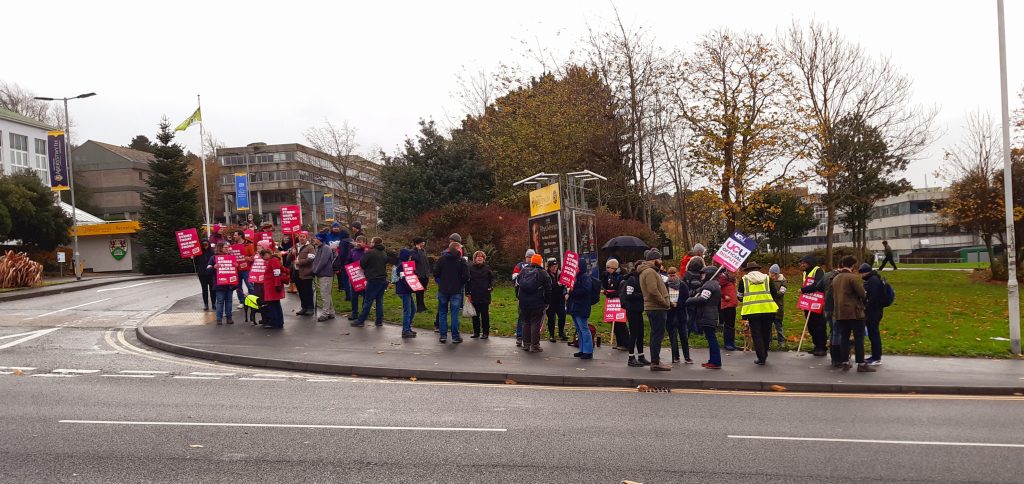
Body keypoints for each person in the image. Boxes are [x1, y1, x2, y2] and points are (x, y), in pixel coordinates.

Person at [832, 256, 874, 372]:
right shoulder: (853, 278)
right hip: (855, 313)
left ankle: (845, 362)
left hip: (840, 313)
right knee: (859, 338)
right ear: (853, 265)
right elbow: (862, 294)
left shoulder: (836, 278)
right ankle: (861, 363)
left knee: (844, 337)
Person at [738, 262, 780, 365]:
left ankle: (761, 358)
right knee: (766, 333)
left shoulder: (744, 280)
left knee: (757, 335)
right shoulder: (767, 278)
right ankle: (764, 354)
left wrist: (748, 299)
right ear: (758, 269)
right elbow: (774, 294)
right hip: (768, 310)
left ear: (748, 270)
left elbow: (739, 296)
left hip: (752, 311)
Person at [638, 249, 672, 371]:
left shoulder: (648, 271)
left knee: (655, 334)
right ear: (654, 260)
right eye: (659, 259)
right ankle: (655, 362)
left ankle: (655, 360)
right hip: (656, 307)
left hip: (654, 307)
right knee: (657, 335)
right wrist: (664, 302)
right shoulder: (650, 272)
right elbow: (653, 291)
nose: (661, 261)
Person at [686, 265, 723, 369]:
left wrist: (689, 300)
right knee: (711, 338)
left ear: (709, 274)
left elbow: (703, 299)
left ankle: (715, 362)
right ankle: (712, 360)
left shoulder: (709, 285)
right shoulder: (713, 284)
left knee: (711, 339)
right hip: (711, 314)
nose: (701, 276)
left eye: (703, 274)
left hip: (707, 315)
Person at [433, 241, 470, 343]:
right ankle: (455, 336)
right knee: (454, 314)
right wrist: (460, 284)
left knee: (442, 313)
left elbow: (435, 273)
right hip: (456, 290)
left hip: (443, 289)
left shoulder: (441, 259)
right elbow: (466, 276)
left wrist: (441, 282)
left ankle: (443, 336)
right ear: (457, 248)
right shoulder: (461, 261)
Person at [516, 253, 551, 353]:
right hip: (537, 302)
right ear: (540, 262)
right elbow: (548, 290)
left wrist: (519, 297)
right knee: (535, 323)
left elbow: (517, 284)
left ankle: (526, 344)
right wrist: (547, 302)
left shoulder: (523, 271)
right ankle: (535, 345)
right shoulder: (543, 273)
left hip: (523, 302)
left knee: (525, 322)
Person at [354, 236, 388, 327]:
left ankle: (361, 320)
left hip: (373, 279)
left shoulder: (370, 252)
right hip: (382, 278)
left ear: (374, 243)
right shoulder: (384, 253)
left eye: (372, 242)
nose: (370, 243)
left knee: (368, 300)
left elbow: (362, 263)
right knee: (379, 301)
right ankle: (379, 320)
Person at [799, 255, 828, 356]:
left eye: (804, 263)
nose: (802, 265)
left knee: (819, 325)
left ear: (809, 263)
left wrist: (803, 290)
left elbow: (817, 284)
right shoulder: (804, 273)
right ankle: (816, 345)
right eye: (801, 263)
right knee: (811, 325)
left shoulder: (818, 270)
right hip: (808, 301)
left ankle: (822, 347)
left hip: (818, 302)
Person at [566, 257, 595, 359]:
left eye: (576, 266)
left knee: (584, 329)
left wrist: (571, 291)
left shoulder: (585, 277)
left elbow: (586, 290)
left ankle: (588, 351)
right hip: (575, 306)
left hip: (581, 307)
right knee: (579, 329)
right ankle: (582, 349)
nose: (575, 268)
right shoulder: (577, 277)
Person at [621, 262, 649, 367]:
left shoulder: (641, 278)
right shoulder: (632, 279)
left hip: (638, 310)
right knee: (633, 333)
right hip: (632, 309)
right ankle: (631, 357)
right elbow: (629, 295)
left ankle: (641, 356)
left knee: (640, 333)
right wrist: (643, 295)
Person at [860, 263, 886, 365]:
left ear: (866, 272)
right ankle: (875, 356)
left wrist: (866, 306)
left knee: (873, 333)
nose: (861, 276)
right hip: (875, 310)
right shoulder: (874, 279)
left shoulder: (872, 280)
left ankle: (876, 357)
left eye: (862, 273)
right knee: (873, 333)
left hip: (873, 311)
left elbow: (873, 297)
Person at [665, 267, 692, 364]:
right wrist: (670, 304)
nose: (672, 277)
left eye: (674, 275)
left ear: (677, 274)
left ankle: (687, 357)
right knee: (673, 337)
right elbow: (663, 298)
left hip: (681, 314)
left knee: (684, 336)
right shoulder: (665, 285)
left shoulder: (683, 285)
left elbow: (686, 299)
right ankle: (675, 356)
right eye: (670, 275)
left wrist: (678, 304)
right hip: (670, 314)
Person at [602, 259, 629, 349]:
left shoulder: (621, 277)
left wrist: (611, 294)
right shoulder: (610, 276)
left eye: (608, 267)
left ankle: (626, 343)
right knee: (614, 323)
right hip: (612, 302)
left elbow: (620, 290)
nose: (607, 269)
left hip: (619, 302)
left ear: (613, 268)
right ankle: (619, 342)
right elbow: (608, 286)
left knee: (620, 323)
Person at [208, 242, 237, 325]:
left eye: (228, 247)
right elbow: (208, 270)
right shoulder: (213, 258)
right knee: (220, 302)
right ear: (220, 248)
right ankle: (219, 319)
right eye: (225, 247)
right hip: (219, 284)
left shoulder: (231, 257)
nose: (227, 249)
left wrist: (236, 266)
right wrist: (214, 267)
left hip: (229, 284)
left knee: (229, 301)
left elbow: (234, 271)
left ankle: (229, 318)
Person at [511, 249, 536, 346]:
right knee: (522, 316)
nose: (529, 258)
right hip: (522, 296)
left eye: (531, 257)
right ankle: (519, 336)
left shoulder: (537, 266)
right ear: (525, 257)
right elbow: (515, 277)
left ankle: (531, 338)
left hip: (535, 296)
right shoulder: (520, 265)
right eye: (528, 256)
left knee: (533, 318)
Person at [467, 251, 494, 339]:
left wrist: (490, 287)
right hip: (474, 294)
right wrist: (467, 292)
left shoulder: (487, 268)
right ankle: (476, 332)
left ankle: (485, 332)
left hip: (485, 294)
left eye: (481, 256)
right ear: (474, 259)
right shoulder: (470, 268)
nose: (479, 258)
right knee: (475, 315)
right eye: (478, 256)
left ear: (484, 259)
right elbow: (468, 281)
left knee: (485, 314)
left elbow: (491, 279)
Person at [259, 247, 287, 329]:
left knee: (273, 305)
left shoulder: (273, 261)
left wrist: (277, 285)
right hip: (273, 286)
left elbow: (276, 273)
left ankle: (275, 323)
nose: (263, 258)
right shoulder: (274, 260)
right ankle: (278, 322)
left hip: (273, 286)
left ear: (268, 254)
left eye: (264, 256)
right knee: (276, 304)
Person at [311, 235, 336, 321]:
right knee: (326, 294)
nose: (314, 239)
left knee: (324, 294)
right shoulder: (319, 248)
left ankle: (325, 313)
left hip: (326, 274)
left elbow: (323, 261)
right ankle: (331, 312)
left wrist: (315, 271)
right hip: (322, 274)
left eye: (315, 238)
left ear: (320, 239)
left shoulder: (325, 248)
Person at [395, 248, 419, 338]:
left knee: (413, 309)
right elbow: (404, 278)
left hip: (406, 290)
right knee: (408, 310)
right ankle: (405, 330)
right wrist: (412, 285)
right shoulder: (402, 266)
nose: (410, 258)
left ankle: (408, 328)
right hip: (404, 290)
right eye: (409, 256)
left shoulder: (405, 264)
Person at [292, 231, 316, 316]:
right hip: (296, 272)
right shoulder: (295, 246)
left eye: (303, 236)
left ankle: (310, 308)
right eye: (300, 236)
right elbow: (288, 258)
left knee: (307, 291)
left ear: (306, 238)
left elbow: (311, 259)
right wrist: (292, 253)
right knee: (300, 291)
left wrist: (300, 262)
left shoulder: (310, 247)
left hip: (306, 273)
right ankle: (304, 307)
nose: (301, 238)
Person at [544, 258, 568, 342]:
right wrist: (556, 284)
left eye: (556, 266)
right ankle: (552, 335)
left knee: (562, 316)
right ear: (549, 267)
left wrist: (565, 292)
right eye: (552, 267)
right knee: (551, 318)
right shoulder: (545, 275)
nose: (555, 268)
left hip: (560, 299)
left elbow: (564, 286)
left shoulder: (560, 274)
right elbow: (547, 288)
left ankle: (561, 333)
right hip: (550, 300)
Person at [346, 236, 367, 320]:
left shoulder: (367, 252)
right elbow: (348, 261)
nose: (358, 243)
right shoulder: (352, 251)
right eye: (357, 241)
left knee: (365, 296)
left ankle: (364, 313)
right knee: (354, 296)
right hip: (355, 277)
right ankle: (354, 313)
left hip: (365, 277)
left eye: (360, 242)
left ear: (364, 243)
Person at [768, 264, 788, 349]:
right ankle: (769, 342)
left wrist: (772, 293)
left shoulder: (783, 281)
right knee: (768, 326)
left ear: (776, 274)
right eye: (770, 273)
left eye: (772, 273)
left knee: (778, 325)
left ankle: (781, 342)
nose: (770, 275)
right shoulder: (768, 280)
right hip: (768, 306)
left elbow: (781, 293)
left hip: (778, 306)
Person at [719, 270, 738, 351]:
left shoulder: (731, 280)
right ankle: (727, 343)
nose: (737, 273)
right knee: (728, 325)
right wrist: (724, 296)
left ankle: (732, 343)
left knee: (732, 325)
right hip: (726, 305)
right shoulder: (723, 279)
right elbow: (717, 288)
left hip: (732, 304)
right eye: (735, 271)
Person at [194, 239, 215, 311]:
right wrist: (193, 257)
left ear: (208, 244)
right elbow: (196, 262)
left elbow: (215, 261)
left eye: (206, 244)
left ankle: (213, 304)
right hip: (202, 274)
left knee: (212, 289)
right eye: (203, 245)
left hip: (211, 273)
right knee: (204, 289)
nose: (205, 246)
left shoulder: (212, 252)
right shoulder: (198, 253)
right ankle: (206, 304)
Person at [412, 237, 431, 312]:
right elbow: (417, 259)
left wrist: (428, 271)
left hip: (425, 274)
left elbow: (426, 262)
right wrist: (419, 250)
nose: (423, 243)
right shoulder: (414, 251)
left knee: (422, 291)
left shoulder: (423, 251)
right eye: (422, 242)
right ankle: (419, 307)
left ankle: (422, 305)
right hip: (419, 274)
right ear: (417, 243)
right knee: (418, 292)